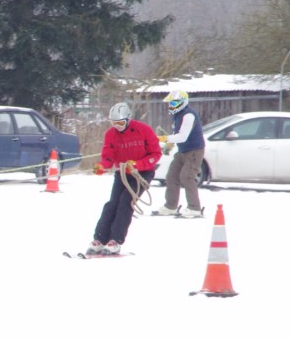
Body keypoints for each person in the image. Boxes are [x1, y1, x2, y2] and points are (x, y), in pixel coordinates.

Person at [87, 102, 162, 255]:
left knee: (125, 202)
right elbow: (108, 156)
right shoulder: (110, 134)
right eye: (114, 123)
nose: (118, 126)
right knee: (112, 204)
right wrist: (102, 166)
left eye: (121, 123)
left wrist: (138, 165)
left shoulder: (144, 130)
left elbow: (156, 154)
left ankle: (115, 240)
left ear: (128, 119)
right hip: (122, 173)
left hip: (143, 174)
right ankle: (100, 238)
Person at [155, 90, 205, 218]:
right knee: (171, 176)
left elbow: (183, 136)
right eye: (170, 103)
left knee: (187, 177)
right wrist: (170, 144)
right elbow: (176, 132)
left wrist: (165, 138)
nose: (171, 106)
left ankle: (194, 208)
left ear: (182, 102)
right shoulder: (178, 115)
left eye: (173, 103)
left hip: (194, 151)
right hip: (182, 151)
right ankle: (170, 206)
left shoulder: (189, 115)